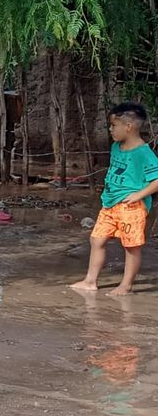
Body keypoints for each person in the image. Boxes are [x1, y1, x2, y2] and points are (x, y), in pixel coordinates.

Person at [70, 102, 158, 296]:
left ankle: (126, 286)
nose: (110, 129)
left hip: (132, 206)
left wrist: (139, 195)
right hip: (110, 203)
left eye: (113, 125)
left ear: (129, 126)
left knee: (131, 246)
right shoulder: (116, 147)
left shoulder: (144, 153)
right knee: (96, 239)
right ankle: (90, 281)